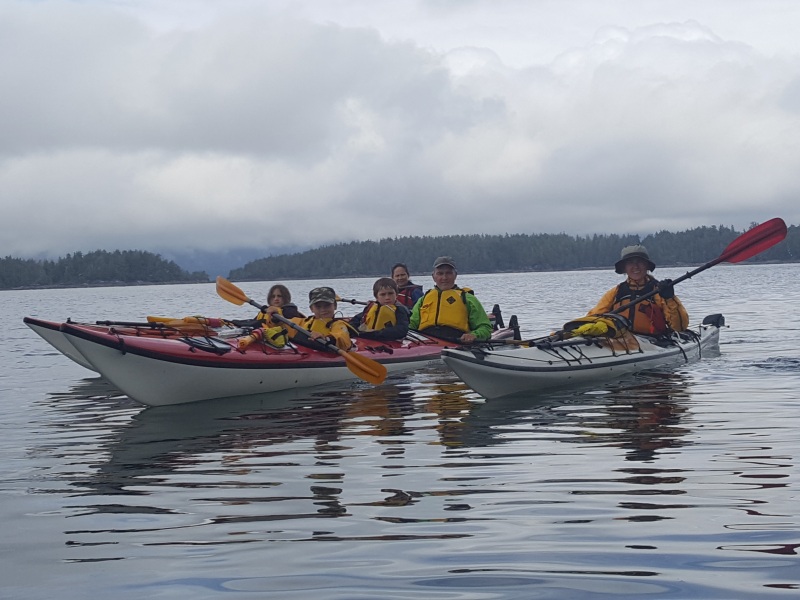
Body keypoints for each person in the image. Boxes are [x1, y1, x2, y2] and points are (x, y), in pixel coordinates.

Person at [587, 244, 689, 335]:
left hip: (653, 343)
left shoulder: (659, 291)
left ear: (647, 266)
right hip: (621, 342)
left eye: (640, 262)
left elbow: (679, 327)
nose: (635, 267)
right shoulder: (616, 292)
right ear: (624, 268)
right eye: (630, 262)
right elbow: (593, 316)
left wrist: (669, 298)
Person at [409, 256, 493, 343]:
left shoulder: (468, 299)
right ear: (433, 276)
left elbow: (486, 328)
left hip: (457, 342)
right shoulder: (423, 299)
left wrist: (474, 335)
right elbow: (411, 325)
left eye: (448, 273)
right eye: (440, 273)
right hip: (426, 342)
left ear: (455, 275)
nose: (444, 277)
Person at [265, 286, 353, 350]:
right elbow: (284, 324)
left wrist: (326, 338)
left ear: (335, 306)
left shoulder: (338, 325)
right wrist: (275, 318)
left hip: (326, 351)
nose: (323, 310)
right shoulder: (304, 322)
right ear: (311, 308)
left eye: (327, 306)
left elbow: (342, 338)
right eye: (318, 306)